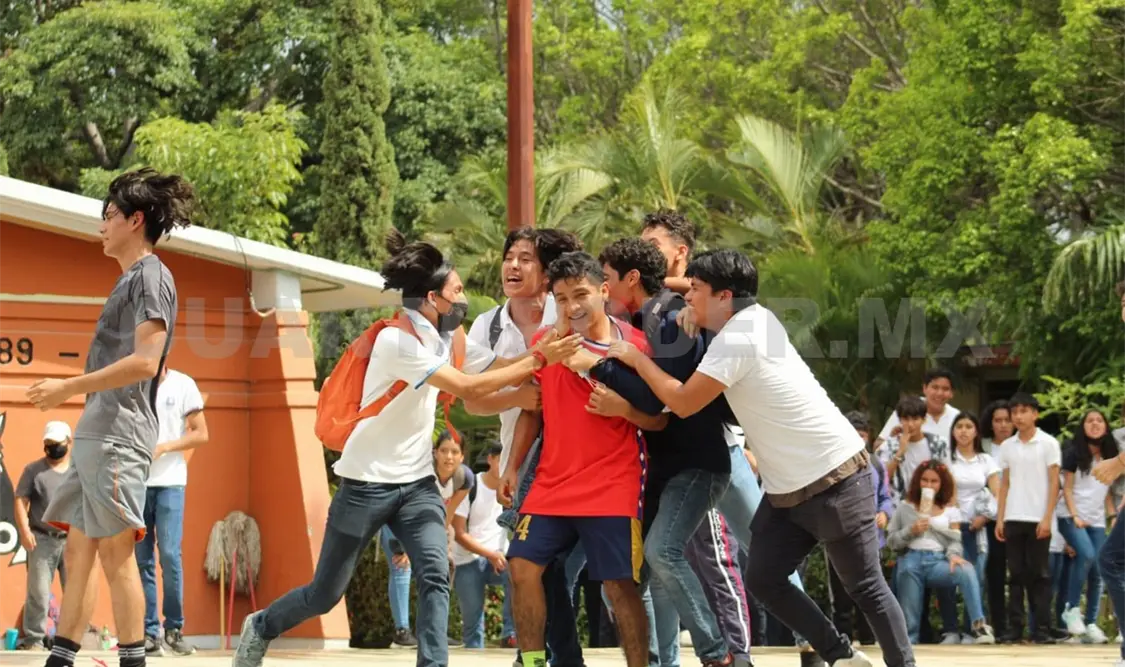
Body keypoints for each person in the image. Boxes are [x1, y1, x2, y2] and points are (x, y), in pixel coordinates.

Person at [232, 231, 582, 667]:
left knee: (436, 573)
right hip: (366, 484)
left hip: (416, 484)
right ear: (433, 298)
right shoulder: (396, 341)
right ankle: (262, 625)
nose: (463, 299)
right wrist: (539, 359)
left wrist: (537, 356)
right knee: (325, 594)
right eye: (456, 291)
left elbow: (497, 367)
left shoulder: (450, 338)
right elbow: (468, 386)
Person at [605, 248, 912, 667]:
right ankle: (840, 656)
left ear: (725, 296)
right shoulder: (755, 317)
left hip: (835, 476)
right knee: (764, 580)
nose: (686, 299)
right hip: (787, 491)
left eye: (695, 291)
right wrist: (692, 299)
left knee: (866, 587)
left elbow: (682, 402)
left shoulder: (737, 339)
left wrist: (636, 358)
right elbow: (687, 294)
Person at [24, 169, 191, 667]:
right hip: (97, 435)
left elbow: (146, 359)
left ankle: (134, 659)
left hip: (119, 438)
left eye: (109, 214)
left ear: (135, 220)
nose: (101, 224)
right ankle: (62, 657)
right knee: (79, 554)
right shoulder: (130, 279)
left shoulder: (151, 276)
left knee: (118, 557)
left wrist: (65, 388)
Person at [594, 237, 744, 667]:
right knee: (625, 577)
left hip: (697, 464)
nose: (603, 290)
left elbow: (660, 401)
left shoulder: (665, 316)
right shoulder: (652, 314)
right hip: (662, 467)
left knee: (662, 553)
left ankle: (719, 655)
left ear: (632, 279)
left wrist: (602, 367)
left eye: (607, 279)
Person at [503, 252, 655, 667]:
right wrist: (512, 466)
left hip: (613, 483)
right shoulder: (543, 344)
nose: (572, 307)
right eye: (562, 297)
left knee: (619, 585)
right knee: (521, 568)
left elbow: (659, 422)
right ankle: (534, 663)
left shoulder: (636, 346)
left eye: (581, 294)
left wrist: (623, 410)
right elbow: (531, 410)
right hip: (551, 485)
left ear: (604, 291)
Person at [463, 227, 586, 667]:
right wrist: (517, 394)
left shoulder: (567, 310)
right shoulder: (486, 325)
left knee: (556, 565)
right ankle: (543, 654)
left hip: (579, 456)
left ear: (547, 269)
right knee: (536, 564)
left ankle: (541, 654)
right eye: (509, 256)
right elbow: (472, 399)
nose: (513, 266)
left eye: (526, 258)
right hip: (524, 453)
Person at [137, 367, 208, 657]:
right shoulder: (133, 382)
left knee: (169, 554)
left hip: (171, 484)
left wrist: (165, 447)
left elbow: (202, 433)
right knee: (142, 559)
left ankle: (174, 628)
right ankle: (149, 632)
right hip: (137, 483)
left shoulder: (183, 384)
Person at [887, 461, 995, 644]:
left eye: (934, 481)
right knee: (910, 617)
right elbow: (892, 542)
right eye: (924, 480)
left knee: (967, 570)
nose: (928, 485)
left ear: (941, 483)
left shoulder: (951, 510)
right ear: (917, 481)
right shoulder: (905, 507)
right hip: (911, 559)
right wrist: (910, 531)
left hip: (937, 561)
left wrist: (953, 555)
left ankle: (979, 626)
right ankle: (907, 643)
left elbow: (955, 540)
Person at [995, 392, 1063, 644]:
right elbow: (1005, 484)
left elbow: (1055, 482)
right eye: (1015, 412)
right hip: (1013, 515)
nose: (1018, 416)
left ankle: (1042, 629)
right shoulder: (1006, 446)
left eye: (1024, 411)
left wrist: (1047, 518)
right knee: (1015, 575)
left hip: (1038, 517)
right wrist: (1000, 518)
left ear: (1035, 414)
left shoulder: (1048, 444)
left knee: (1040, 575)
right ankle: (1015, 628)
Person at [827, 412, 893, 648]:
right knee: (841, 596)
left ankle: (870, 638)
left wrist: (884, 513)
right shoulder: (831, 463)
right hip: (839, 537)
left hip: (872, 539)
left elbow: (886, 497)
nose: (859, 439)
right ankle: (843, 641)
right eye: (854, 434)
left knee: (871, 591)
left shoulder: (876, 464)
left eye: (863, 435)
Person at [1056, 409, 1115, 643]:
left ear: (1106, 427)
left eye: (1099, 420)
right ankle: (1070, 609)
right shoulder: (1073, 454)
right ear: (1083, 427)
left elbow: (1106, 490)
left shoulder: (1111, 456)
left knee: (1098, 569)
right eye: (1090, 420)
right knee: (1088, 554)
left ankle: (1090, 623)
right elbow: (1067, 489)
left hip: (1097, 519)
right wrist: (1075, 515)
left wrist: (1112, 515)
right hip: (1070, 516)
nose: (1095, 424)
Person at [452, 442, 516, 648]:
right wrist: (489, 554)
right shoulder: (472, 486)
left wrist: (498, 553)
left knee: (520, 575)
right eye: (501, 460)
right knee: (472, 627)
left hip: (499, 559)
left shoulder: (513, 490)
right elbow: (460, 534)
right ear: (491, 459)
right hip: (469, 559)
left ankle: (511, 634)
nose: (505, 465)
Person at [15, 422, 72, 651]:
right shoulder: (33, 470)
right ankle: (34, 641)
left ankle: (69, 640)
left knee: (76, 592)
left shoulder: (79, 470)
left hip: (73, 540)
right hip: (42, 538)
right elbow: (20, 500)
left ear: (69, 441)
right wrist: (25, 531)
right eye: (48, 444)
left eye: (56, 444)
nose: (52, 448)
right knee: (38, 592)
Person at [947, 412, 1000, 636]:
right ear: (953, 431)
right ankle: (951, 630)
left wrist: (985, 517)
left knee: (977, 577)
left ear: (976, 431)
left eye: (969, 426)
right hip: (953, 527)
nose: (964, 431)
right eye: (959, 426)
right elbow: (946, 493)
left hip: (979, 527)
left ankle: (974, 631)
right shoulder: (947, 460)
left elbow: (997, 494)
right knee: (952, 579)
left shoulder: (986, 460)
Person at [980, 399, 1014, 634]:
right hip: (991, 520)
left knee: (1022, 575)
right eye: (998, 420)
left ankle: (1020, 626)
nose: (1003, 425)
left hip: (1020, 515)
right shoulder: (982, 448)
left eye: (1007, 420)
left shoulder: (1020, 445)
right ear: (990, 423)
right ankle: (999, 627)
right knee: (995, 574)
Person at [874, 369, 960, 452]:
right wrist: (892, 438)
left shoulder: (957, 417)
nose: (939, 393)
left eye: (945, 389)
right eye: (935, 387)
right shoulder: (907, 409)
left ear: (952, 393)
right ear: (925, 388)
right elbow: (877, 447)